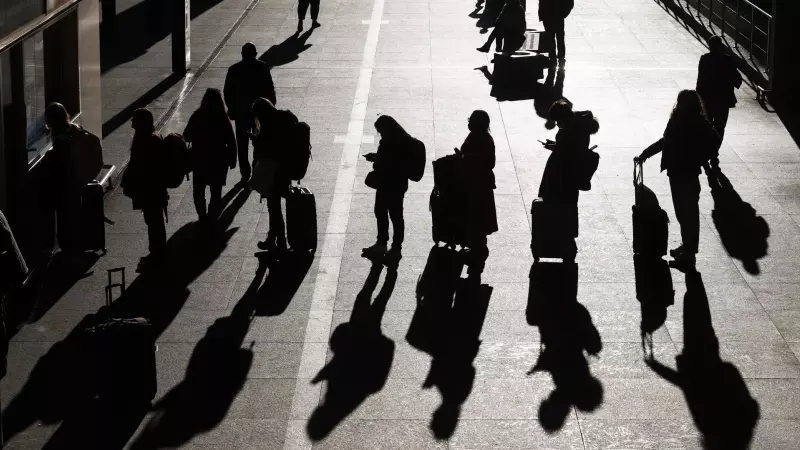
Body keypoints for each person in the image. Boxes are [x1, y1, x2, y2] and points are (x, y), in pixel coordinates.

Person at [636, 90, 721, 269]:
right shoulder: (678, 119)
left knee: (688, 214)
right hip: (676, 172)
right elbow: (665, 141)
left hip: (687, 173)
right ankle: (687, 247)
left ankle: (689, 254)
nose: (679, 104)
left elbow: (714, 140)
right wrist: (647, 153)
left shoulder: (696, 122)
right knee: (684, 214)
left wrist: (700, 157)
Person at [538, 100, 599, 261]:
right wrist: (557, 145)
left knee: (561, 206)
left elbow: (568, 153)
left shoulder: (571, 131)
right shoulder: (579, 127)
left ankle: (563, 243)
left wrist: (555, 147)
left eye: (558, 121)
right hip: (569, 176)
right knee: (569, 206)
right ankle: (567, 241)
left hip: (564, 176)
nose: (557, 124)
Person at [362, 116, 415, 265]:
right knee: (395, 215)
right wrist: (376, 157)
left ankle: (383, 244)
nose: (380, 134)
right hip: (398, 184)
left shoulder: (388, 142)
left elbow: (386, 162)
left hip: (387, 184)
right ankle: (394, 246)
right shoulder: (404, 140)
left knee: (384, 213)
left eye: (380, 131)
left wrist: (376, 161)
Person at [251, 98, 299, 256]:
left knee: (274, 208)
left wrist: (255, 141)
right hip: (286, 169)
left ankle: (281, 242)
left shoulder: (267, 125)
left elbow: (262, 151)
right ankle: (273, 239)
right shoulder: (286, 116)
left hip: (274, 172)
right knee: (275, 207)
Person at [121, 109, 169, 267]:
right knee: (154, 220)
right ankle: (157, 251)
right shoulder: (150, 138)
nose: (131, 122)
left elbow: (143, 167)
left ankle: (158, 253)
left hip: (150, 190)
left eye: (134, 119)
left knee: (153, 220)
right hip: (152, 190)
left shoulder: (147, 141)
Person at [223, 43, 276, 183]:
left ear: (242, 54)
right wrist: (271, 107)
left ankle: (245, 173)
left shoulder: (234, 69)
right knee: (259, 142)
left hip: (241, 113)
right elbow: (270, 88)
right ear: (256, 53)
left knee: (242, 144)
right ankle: (254, 170)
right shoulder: (263, 67)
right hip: (260, 113)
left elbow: (227, 92)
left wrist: (232, 108)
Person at [183, 88, 237, 221]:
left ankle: (202, 215)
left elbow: (187, 135)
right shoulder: (222, 117)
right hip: (218, 159)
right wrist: (233, 158)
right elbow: (231, 139)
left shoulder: (197, 115)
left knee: (199, 189)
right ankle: (213, 213)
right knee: (216, 189)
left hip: (199, 158)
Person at [456, 110, 498, 279]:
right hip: (476, 183)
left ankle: (477, 250)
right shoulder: (478, 136)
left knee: (477, 216)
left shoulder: (482, 139)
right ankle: (476, 248)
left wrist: (466, 157)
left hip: (478, 184)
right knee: (476, 216)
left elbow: (488, 162)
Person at [40, 103, 83, 255]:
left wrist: (47, 158)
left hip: (64, 186)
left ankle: (68, 250)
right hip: (74, 183)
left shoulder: (61, 139)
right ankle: (74, 247)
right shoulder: (73, 130)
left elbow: (59, 162)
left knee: (64, 219)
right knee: (72, 217)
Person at [696, 35, 743, 148]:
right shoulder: (727, 60)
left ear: (709, 46)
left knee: (706, 126)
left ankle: (706, 150)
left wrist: (699, 98)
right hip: (723, 100)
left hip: (707, 99)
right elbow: (738, 80)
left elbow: (700, 81)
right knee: (720, 127)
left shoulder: (705, 59)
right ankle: (715, 151)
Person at [538, 0, 573, 66]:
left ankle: (553, 57)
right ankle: (559, 56)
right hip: (557, 15)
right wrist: (564, 13)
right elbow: (570, 3)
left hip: (549, 15)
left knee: (551, 38)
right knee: (559, 37)